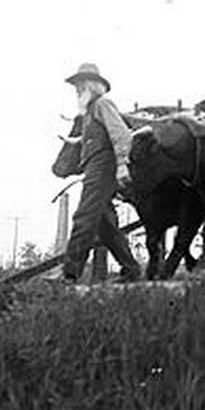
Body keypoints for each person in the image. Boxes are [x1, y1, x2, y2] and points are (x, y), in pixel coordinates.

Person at [60, 62, 142, 283]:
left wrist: (122, 164)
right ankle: (131, 270)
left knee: (84, 216)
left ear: (92, 86)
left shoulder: (102, 104)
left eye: (81, 85)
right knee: (105, 226)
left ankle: (69, 274)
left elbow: (121, 134)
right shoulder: (88, 114)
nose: (77, 90)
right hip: (94, 167)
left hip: (103, 165)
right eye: (76, 86)